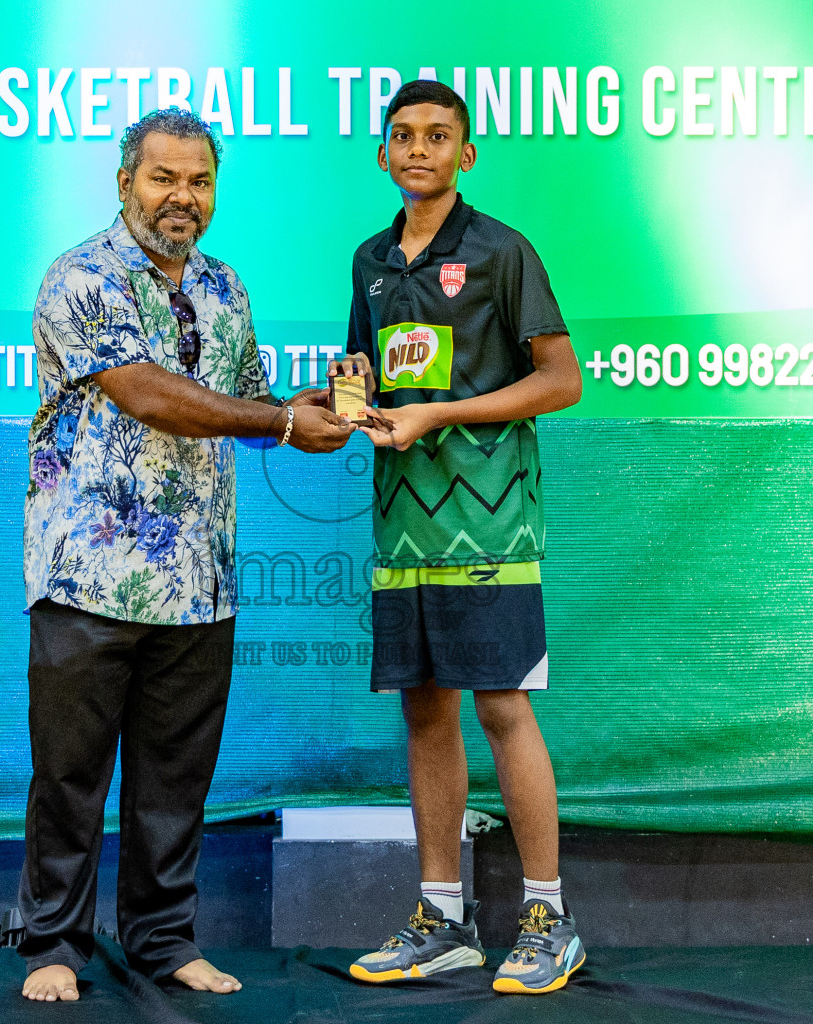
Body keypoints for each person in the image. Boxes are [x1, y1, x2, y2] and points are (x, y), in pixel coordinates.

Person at [18, 108, 353, 1002]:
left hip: (198, 587)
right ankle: (53, 946)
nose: (182, 197)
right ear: (125, 181)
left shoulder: (227, 288)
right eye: (163, 178)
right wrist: (279, 419)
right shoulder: (80, 276)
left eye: (199, 181)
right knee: (70, 775)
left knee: (175, 783)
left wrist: (313, 408)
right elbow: (150, 397)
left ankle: (164, 943)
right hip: (86, 576)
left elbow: (243, 406)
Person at [328, 80, 586, 995]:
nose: (419, 149)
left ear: (465, 154)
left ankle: (548, 917)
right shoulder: (368, 260)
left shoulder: (501, 251)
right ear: (383, 153)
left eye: (439, 136)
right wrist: (354, 393)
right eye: (402, 136)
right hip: (403, 524)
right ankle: (443, 917)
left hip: (491, 517)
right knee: (425, 709)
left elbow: (560, 381)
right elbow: (379, 376)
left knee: (502, 706)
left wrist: (446, 411)